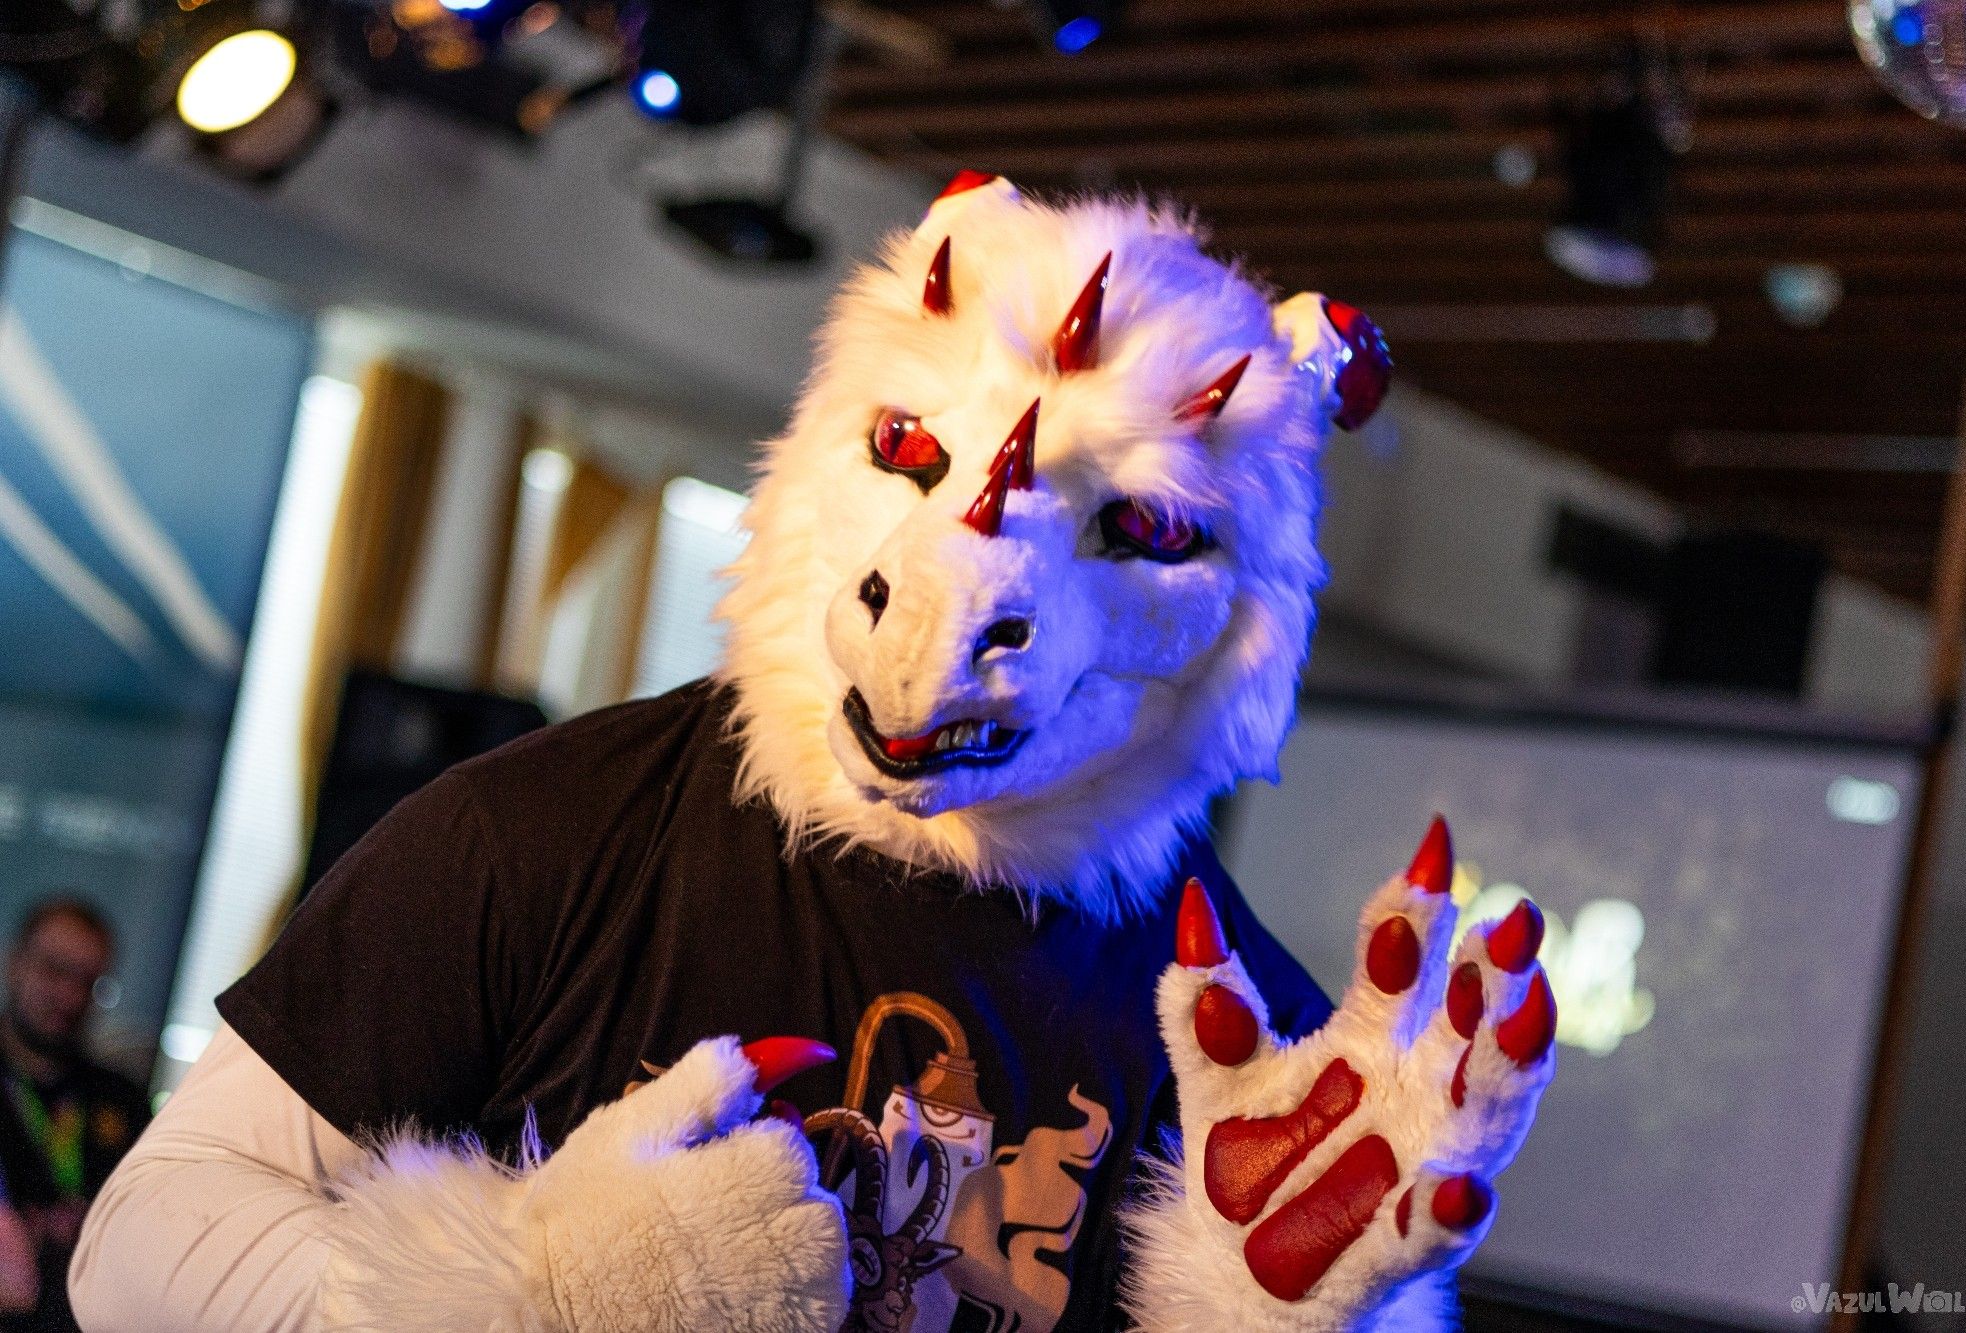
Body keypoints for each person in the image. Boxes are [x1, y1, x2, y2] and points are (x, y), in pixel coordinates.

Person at [69, 177, 1555, 1332]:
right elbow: (139, 1250)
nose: (971, 579)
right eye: (910, 450)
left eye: (1145, 525)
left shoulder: (1240, 1041)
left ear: (1248, 607)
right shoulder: (536, 836)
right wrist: (529, 1294)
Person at [0, 899, 147, 1332]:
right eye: (54, 970)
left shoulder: (121, 1100)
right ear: (15, 962)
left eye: (88, 980)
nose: (70, 995)